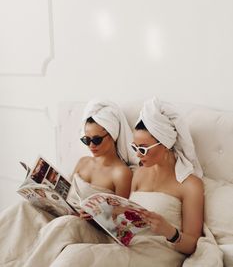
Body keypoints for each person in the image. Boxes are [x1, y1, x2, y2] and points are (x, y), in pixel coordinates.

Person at [48, 97, 223, 267]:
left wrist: (169, 231)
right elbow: (124, 221)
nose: (137, 155)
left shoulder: (190, 185)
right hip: (128, 244)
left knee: (76, 258)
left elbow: (193, 245)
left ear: (165, 144)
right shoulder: (139, 174)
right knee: (69, 244)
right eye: (134, 147)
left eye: (143, 149)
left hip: (160, 252)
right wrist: (102, 214)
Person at [0, 99, 138, 267]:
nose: (91, 146)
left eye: (96, 140)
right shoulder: (83, 162)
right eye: (86, 140)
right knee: (23, 207)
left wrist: (96, 216)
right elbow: (65, 193)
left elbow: (121, 220)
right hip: (66, 214)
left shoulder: (121, 173)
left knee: (66, 224)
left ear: (113, 136)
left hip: (91, 228)